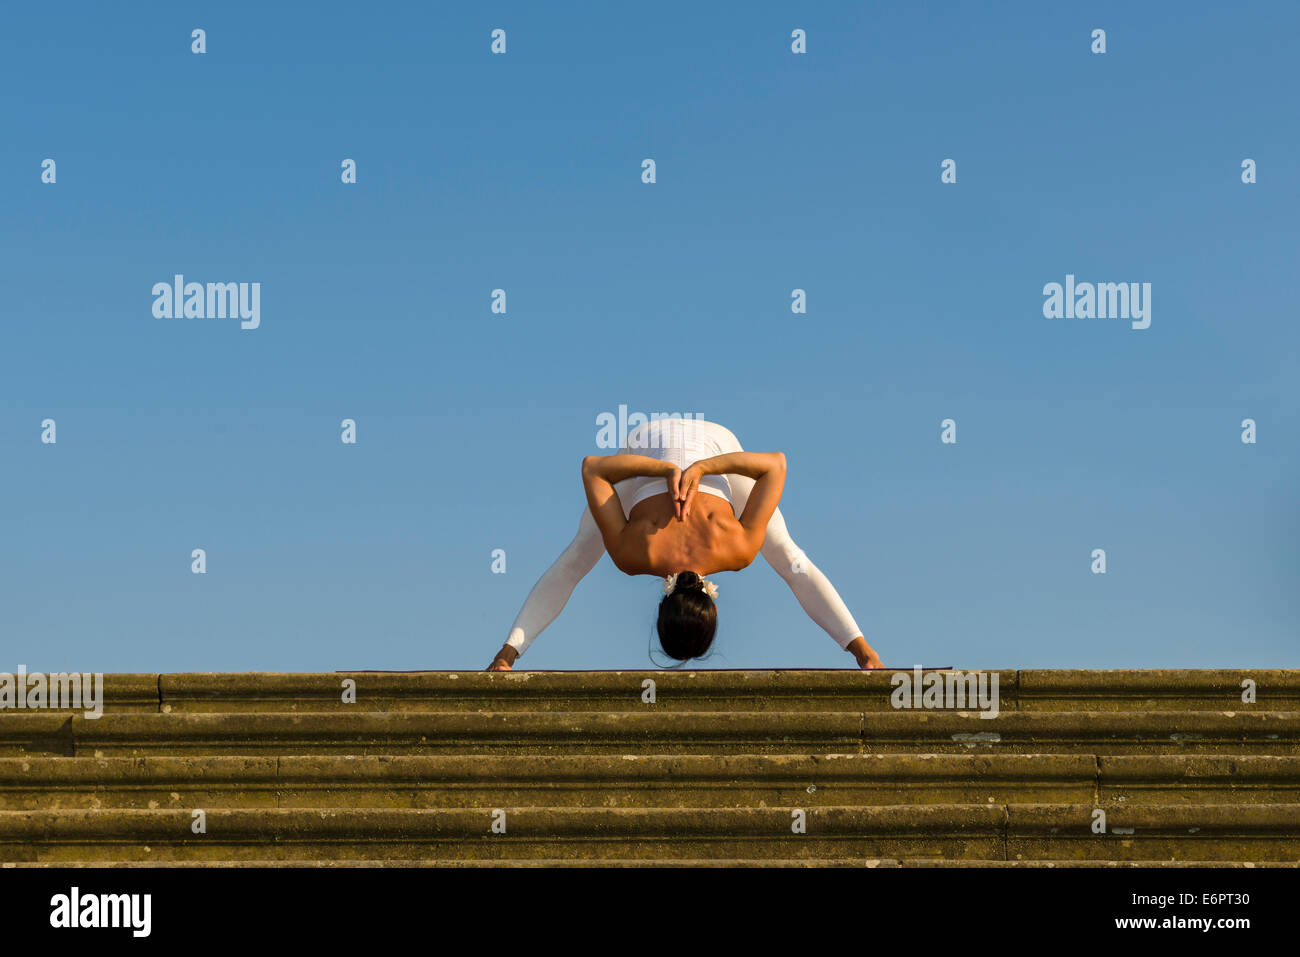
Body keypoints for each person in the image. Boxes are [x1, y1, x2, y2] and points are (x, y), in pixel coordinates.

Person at [486, 417, 883, 670]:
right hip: (651, 442)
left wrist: (695, 466)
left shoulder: (738, 551)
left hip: (716, 441)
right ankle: (506, 656)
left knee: (788, 556)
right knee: (577, 556)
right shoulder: (632, 555)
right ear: (660, 605)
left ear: (712, 604)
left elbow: (775, 465)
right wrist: (682, 469)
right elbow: (594, 469)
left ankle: (866, 654)